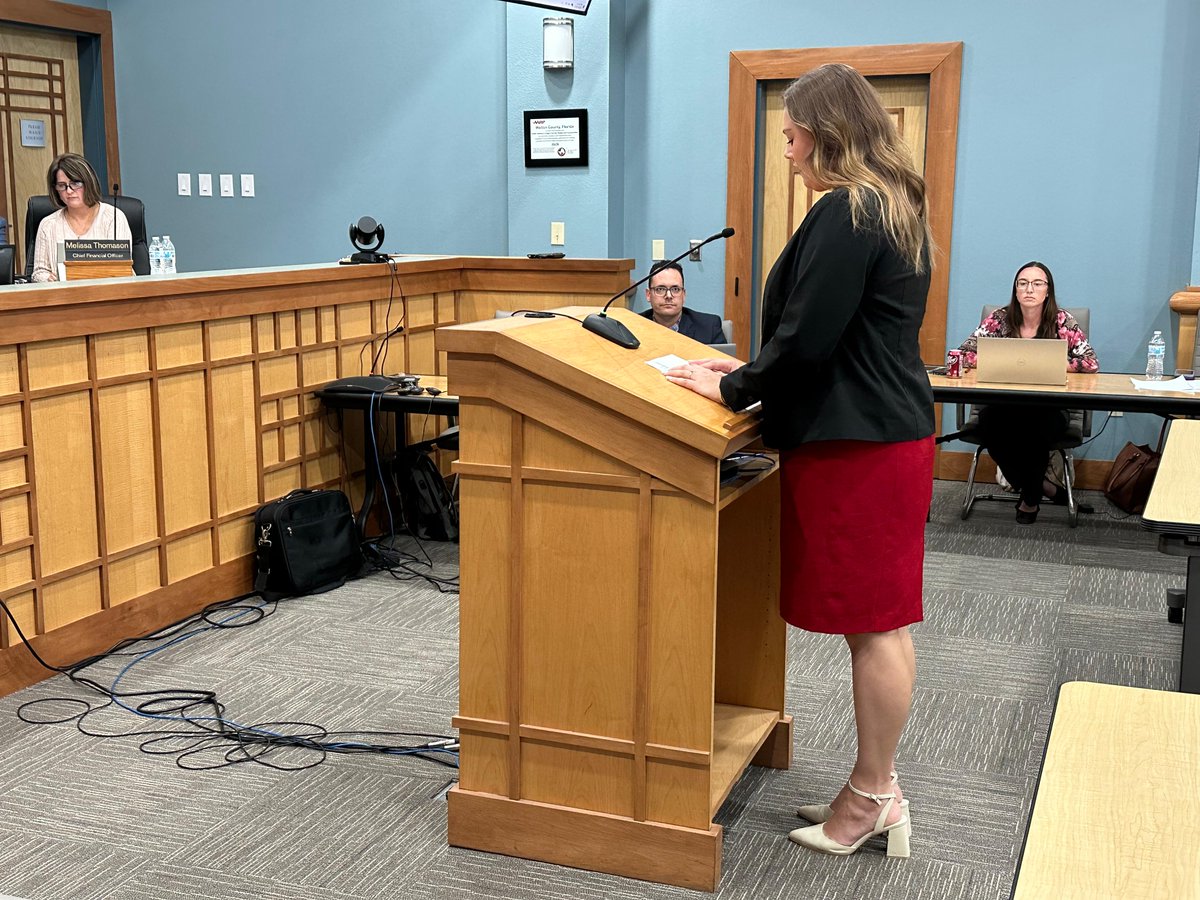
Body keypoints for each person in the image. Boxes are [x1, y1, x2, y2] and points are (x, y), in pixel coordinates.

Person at [665, 63, 932, 859]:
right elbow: (835, 336)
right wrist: (744, 370)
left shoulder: (850, 209)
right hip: (877, 437)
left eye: (790, 136)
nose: (786, 152)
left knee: (875, 627)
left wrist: (736, 385)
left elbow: (810, 339)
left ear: (824, 132)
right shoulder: (890, 204)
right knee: (878, 623)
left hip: (860, 447)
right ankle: (876, 786)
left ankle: (874, 797)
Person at [955, 261, 1099, 524]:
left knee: (1033, 430)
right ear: (1016, 289)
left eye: (1037, 283)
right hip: (1003, 407)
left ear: (1048, 290)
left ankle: (1030, 500)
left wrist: (1054, 363)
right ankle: (1044, 488)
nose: (1029, 289)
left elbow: (1090, 362)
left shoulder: (1062, 321)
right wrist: (996, 360)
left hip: (1049, 409)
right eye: (1023, 283)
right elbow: (964, 353)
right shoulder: (999, 319)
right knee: (988, 425)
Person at [31, 153, 132, 283]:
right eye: (62, 185)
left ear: (88, 183)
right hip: (63, 293)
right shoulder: (48, 225)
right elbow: (39, 272)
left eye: (75, 183)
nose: (69, 191)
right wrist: (48, 279)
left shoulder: (113, 218)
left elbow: (123, 268)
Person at [639, 261, 726, 343]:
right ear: (648, 295)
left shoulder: (709, 327)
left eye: (675, 289)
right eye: (660, 289)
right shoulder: (634, 326)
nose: (668, 296)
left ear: (683, 295)